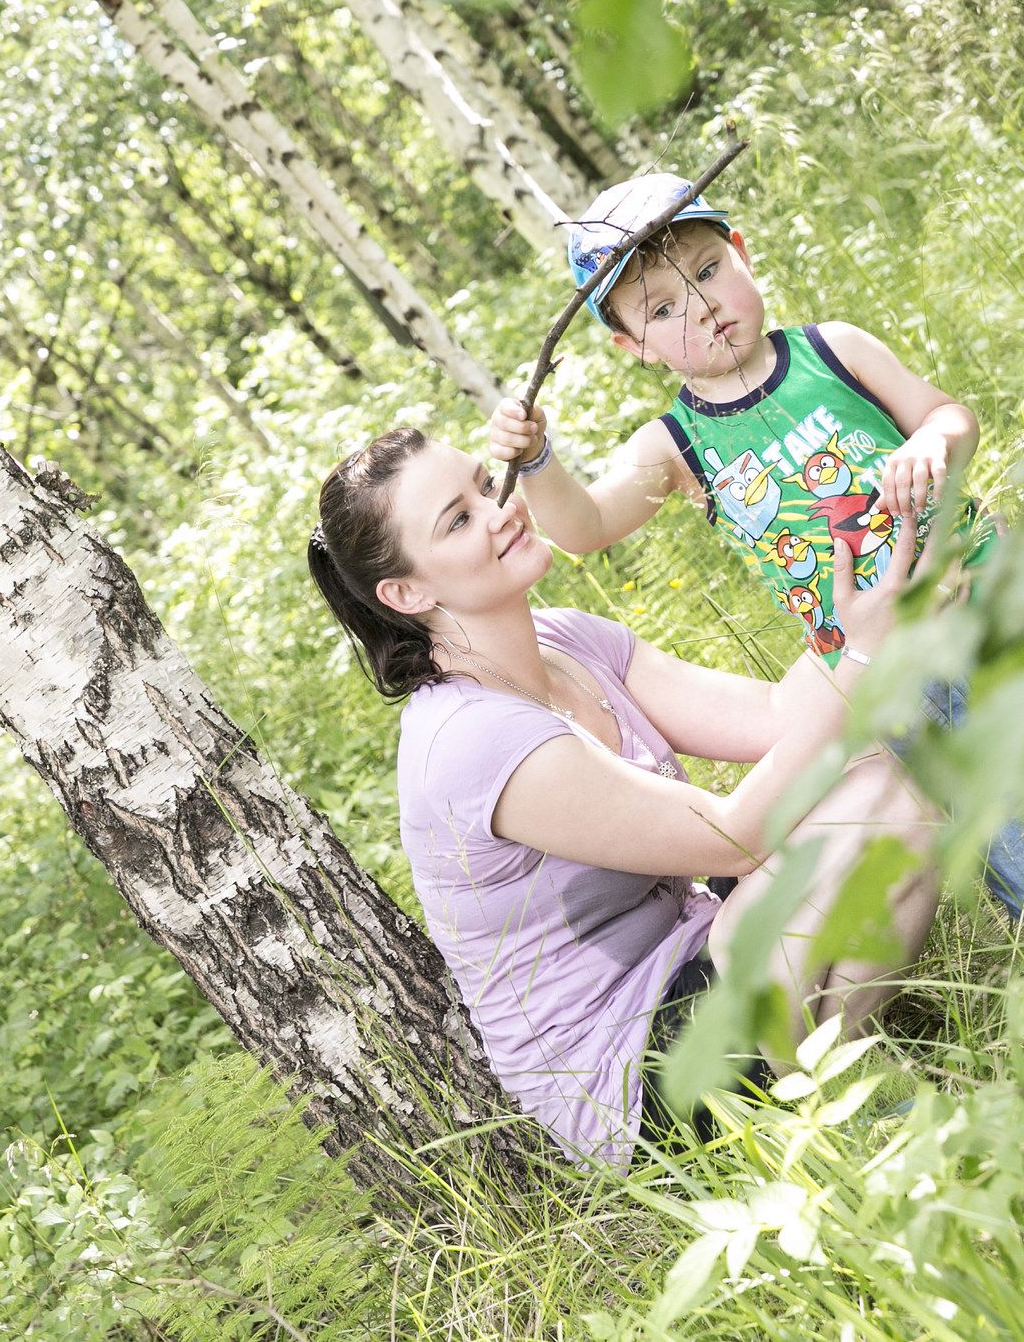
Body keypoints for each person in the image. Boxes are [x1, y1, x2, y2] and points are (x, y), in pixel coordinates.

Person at [487, 173, 1024, 912]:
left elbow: (948, 415)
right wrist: (538, 459)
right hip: (899, 681)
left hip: (996, 601)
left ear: (743, 253)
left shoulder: (832, 350)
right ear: (634, 346)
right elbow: (584, 525)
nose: (700, 308)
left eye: (708, 269)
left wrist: (930, 443)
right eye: (662, 310)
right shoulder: (676, 446)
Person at [307, 426, 943, 1167]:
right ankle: (840, 1118)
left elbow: (777, 718)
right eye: (458, 519)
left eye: (485, 484)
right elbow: (733, 838)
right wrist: (862, 655)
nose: (500, 511)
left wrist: (874, 595)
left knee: (869, 769)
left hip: (698, 953)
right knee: (883, 802)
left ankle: (838, 1097)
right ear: (407, 592)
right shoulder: (469, 739)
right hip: (637, 1080)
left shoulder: (566, 640)